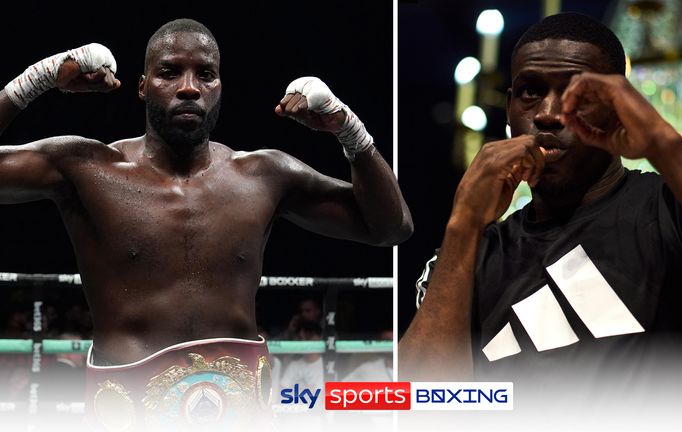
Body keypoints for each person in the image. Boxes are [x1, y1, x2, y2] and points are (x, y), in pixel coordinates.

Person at [0, 18, 411, 428]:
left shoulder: (262, 175)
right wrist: (38, 79)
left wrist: (347, 129)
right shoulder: (87, 168)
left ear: (220, 88)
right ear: (142, 86)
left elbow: (391, 228)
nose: (189, 86)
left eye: (206, 74)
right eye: (169, 72)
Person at [399, 12, 682, 399]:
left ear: (621, 106)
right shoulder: (466, 257)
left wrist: (662, 143)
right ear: (508, 109)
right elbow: (419, 407)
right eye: (530, 92)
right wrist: (463, 223)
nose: (547, 114)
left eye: (578, 95)